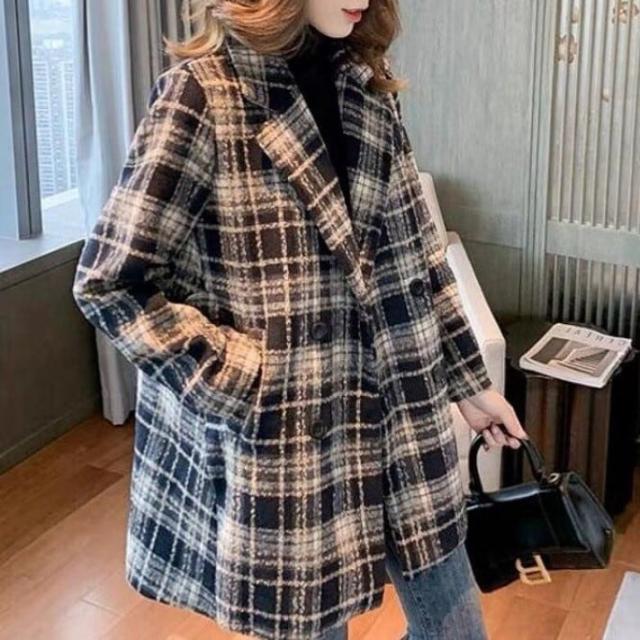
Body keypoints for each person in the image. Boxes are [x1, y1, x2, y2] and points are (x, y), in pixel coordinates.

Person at [72, 1, 528, 639]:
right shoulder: (204, 94)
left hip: (403, 416)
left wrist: (470, 385)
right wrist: (246, 379)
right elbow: (111, 282)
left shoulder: (367, 86)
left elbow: (421, 258)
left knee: (456, 631)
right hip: (292, 444)